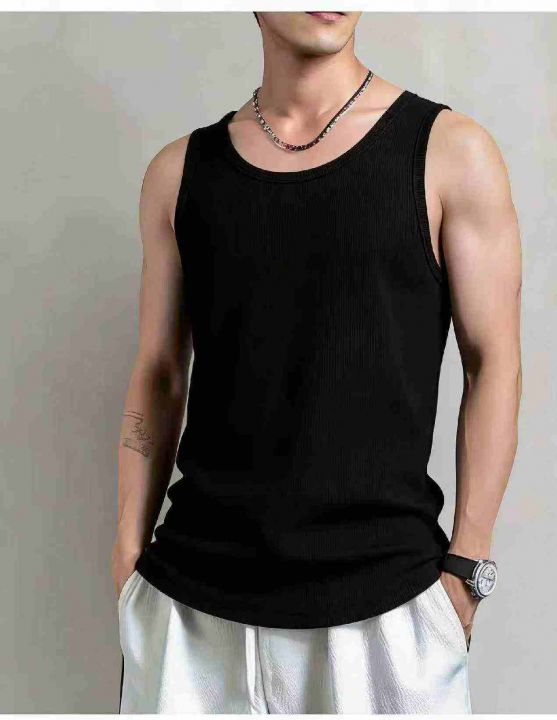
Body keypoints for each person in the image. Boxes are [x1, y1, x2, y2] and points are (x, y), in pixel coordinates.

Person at [111, 10, 522, 714]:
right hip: (191, 611)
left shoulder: (450, 152)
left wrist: (467, 563)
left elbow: (494, 362)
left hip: (387, 610)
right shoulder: (178, 174)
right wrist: (126, 559)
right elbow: (159, 372)